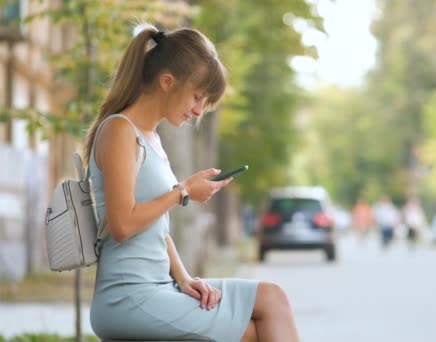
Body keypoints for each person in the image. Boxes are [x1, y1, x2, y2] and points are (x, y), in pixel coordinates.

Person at [86, 24, 298, 342]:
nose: (198, 110)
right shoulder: (119, 130)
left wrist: (184, 278)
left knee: (274, 298)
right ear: (168, 82)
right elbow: (122, 225)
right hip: (128, 298)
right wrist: (182, 192)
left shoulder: (151, 139)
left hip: (159, 287)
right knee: (256, 332)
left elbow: (155, 228)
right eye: (197, 96)